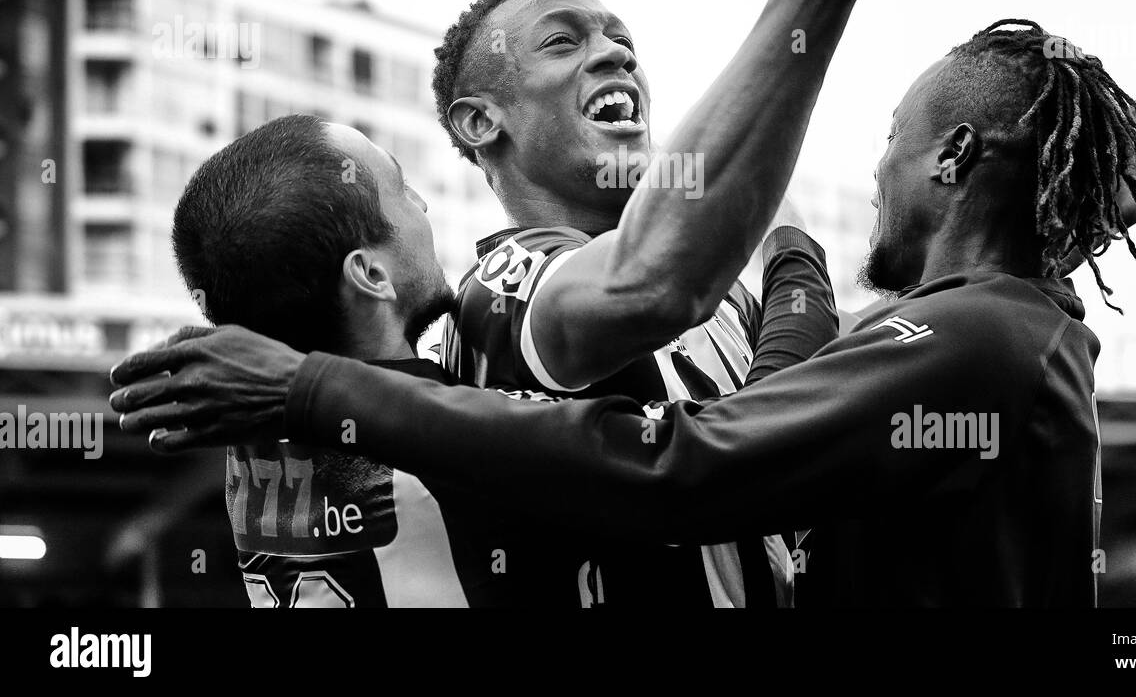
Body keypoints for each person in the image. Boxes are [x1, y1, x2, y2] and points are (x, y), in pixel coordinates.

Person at [112, 19, 1136, 606]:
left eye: (617, 35)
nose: (614, 54)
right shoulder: (507, 294)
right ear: (480, 125)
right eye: (560, 40)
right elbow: (677, 460)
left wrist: (791, 274)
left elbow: (759, 439)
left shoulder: (970, 337)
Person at [167, 113, 837, 606]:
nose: (424, 206)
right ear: (371, 275)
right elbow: (731, 458)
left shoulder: (250, 436)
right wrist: (796, 258)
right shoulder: (446, 445)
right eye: (401, 191)